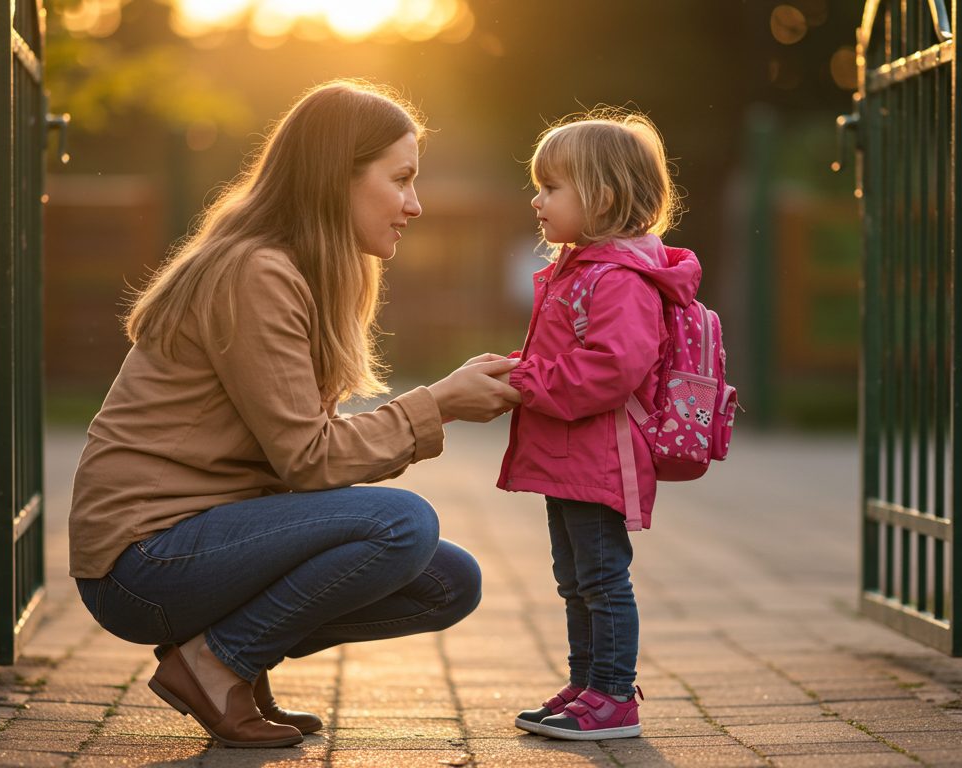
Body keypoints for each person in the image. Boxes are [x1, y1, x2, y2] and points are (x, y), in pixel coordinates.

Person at [67, 79, 521, 749]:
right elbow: (308, 461)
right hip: (140, 564)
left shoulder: (301, 272)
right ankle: (216, 666)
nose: (415, 205)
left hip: (195, 541)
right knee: (403, 525)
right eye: (400, 180)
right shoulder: (255, 272)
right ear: (338, 176)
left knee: (448, 582)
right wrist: (438, 405)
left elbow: (294, 468)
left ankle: (232, 662)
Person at [497, 110, 698, 740]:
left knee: (602, 577)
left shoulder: (618, 279)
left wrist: (526, 381)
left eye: (551, 188)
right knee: (573, 577)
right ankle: (587, 683)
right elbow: (569, 357)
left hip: (600, 452)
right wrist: (514, 368)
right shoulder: (582, 268)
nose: (537, 201)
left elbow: (613, 367)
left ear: (602, 195)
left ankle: (613, 695)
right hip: (569, 451)